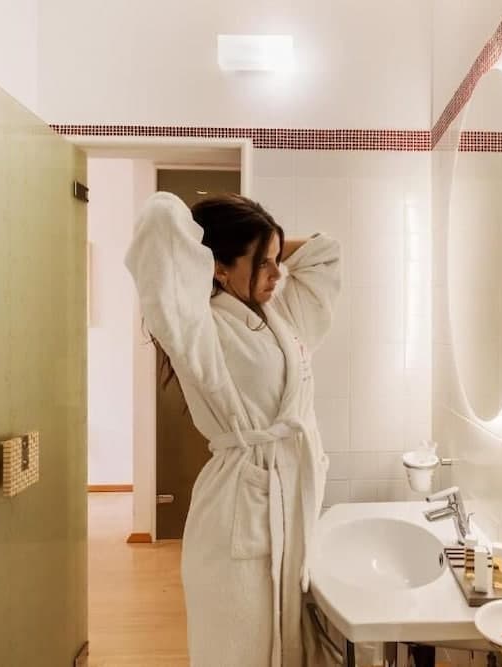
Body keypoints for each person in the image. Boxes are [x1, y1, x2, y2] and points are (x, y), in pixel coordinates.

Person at [124, 191, 341, 666]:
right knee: (238, 650)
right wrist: (218, 245)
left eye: (277, 260)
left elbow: (325, 253)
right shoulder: (197, 326)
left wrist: (267, 243)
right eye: (263, 263)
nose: (277, 273)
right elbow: (160, 220)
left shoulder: (279, 315)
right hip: (237, 514)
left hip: (285, 502)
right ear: (218, 268)